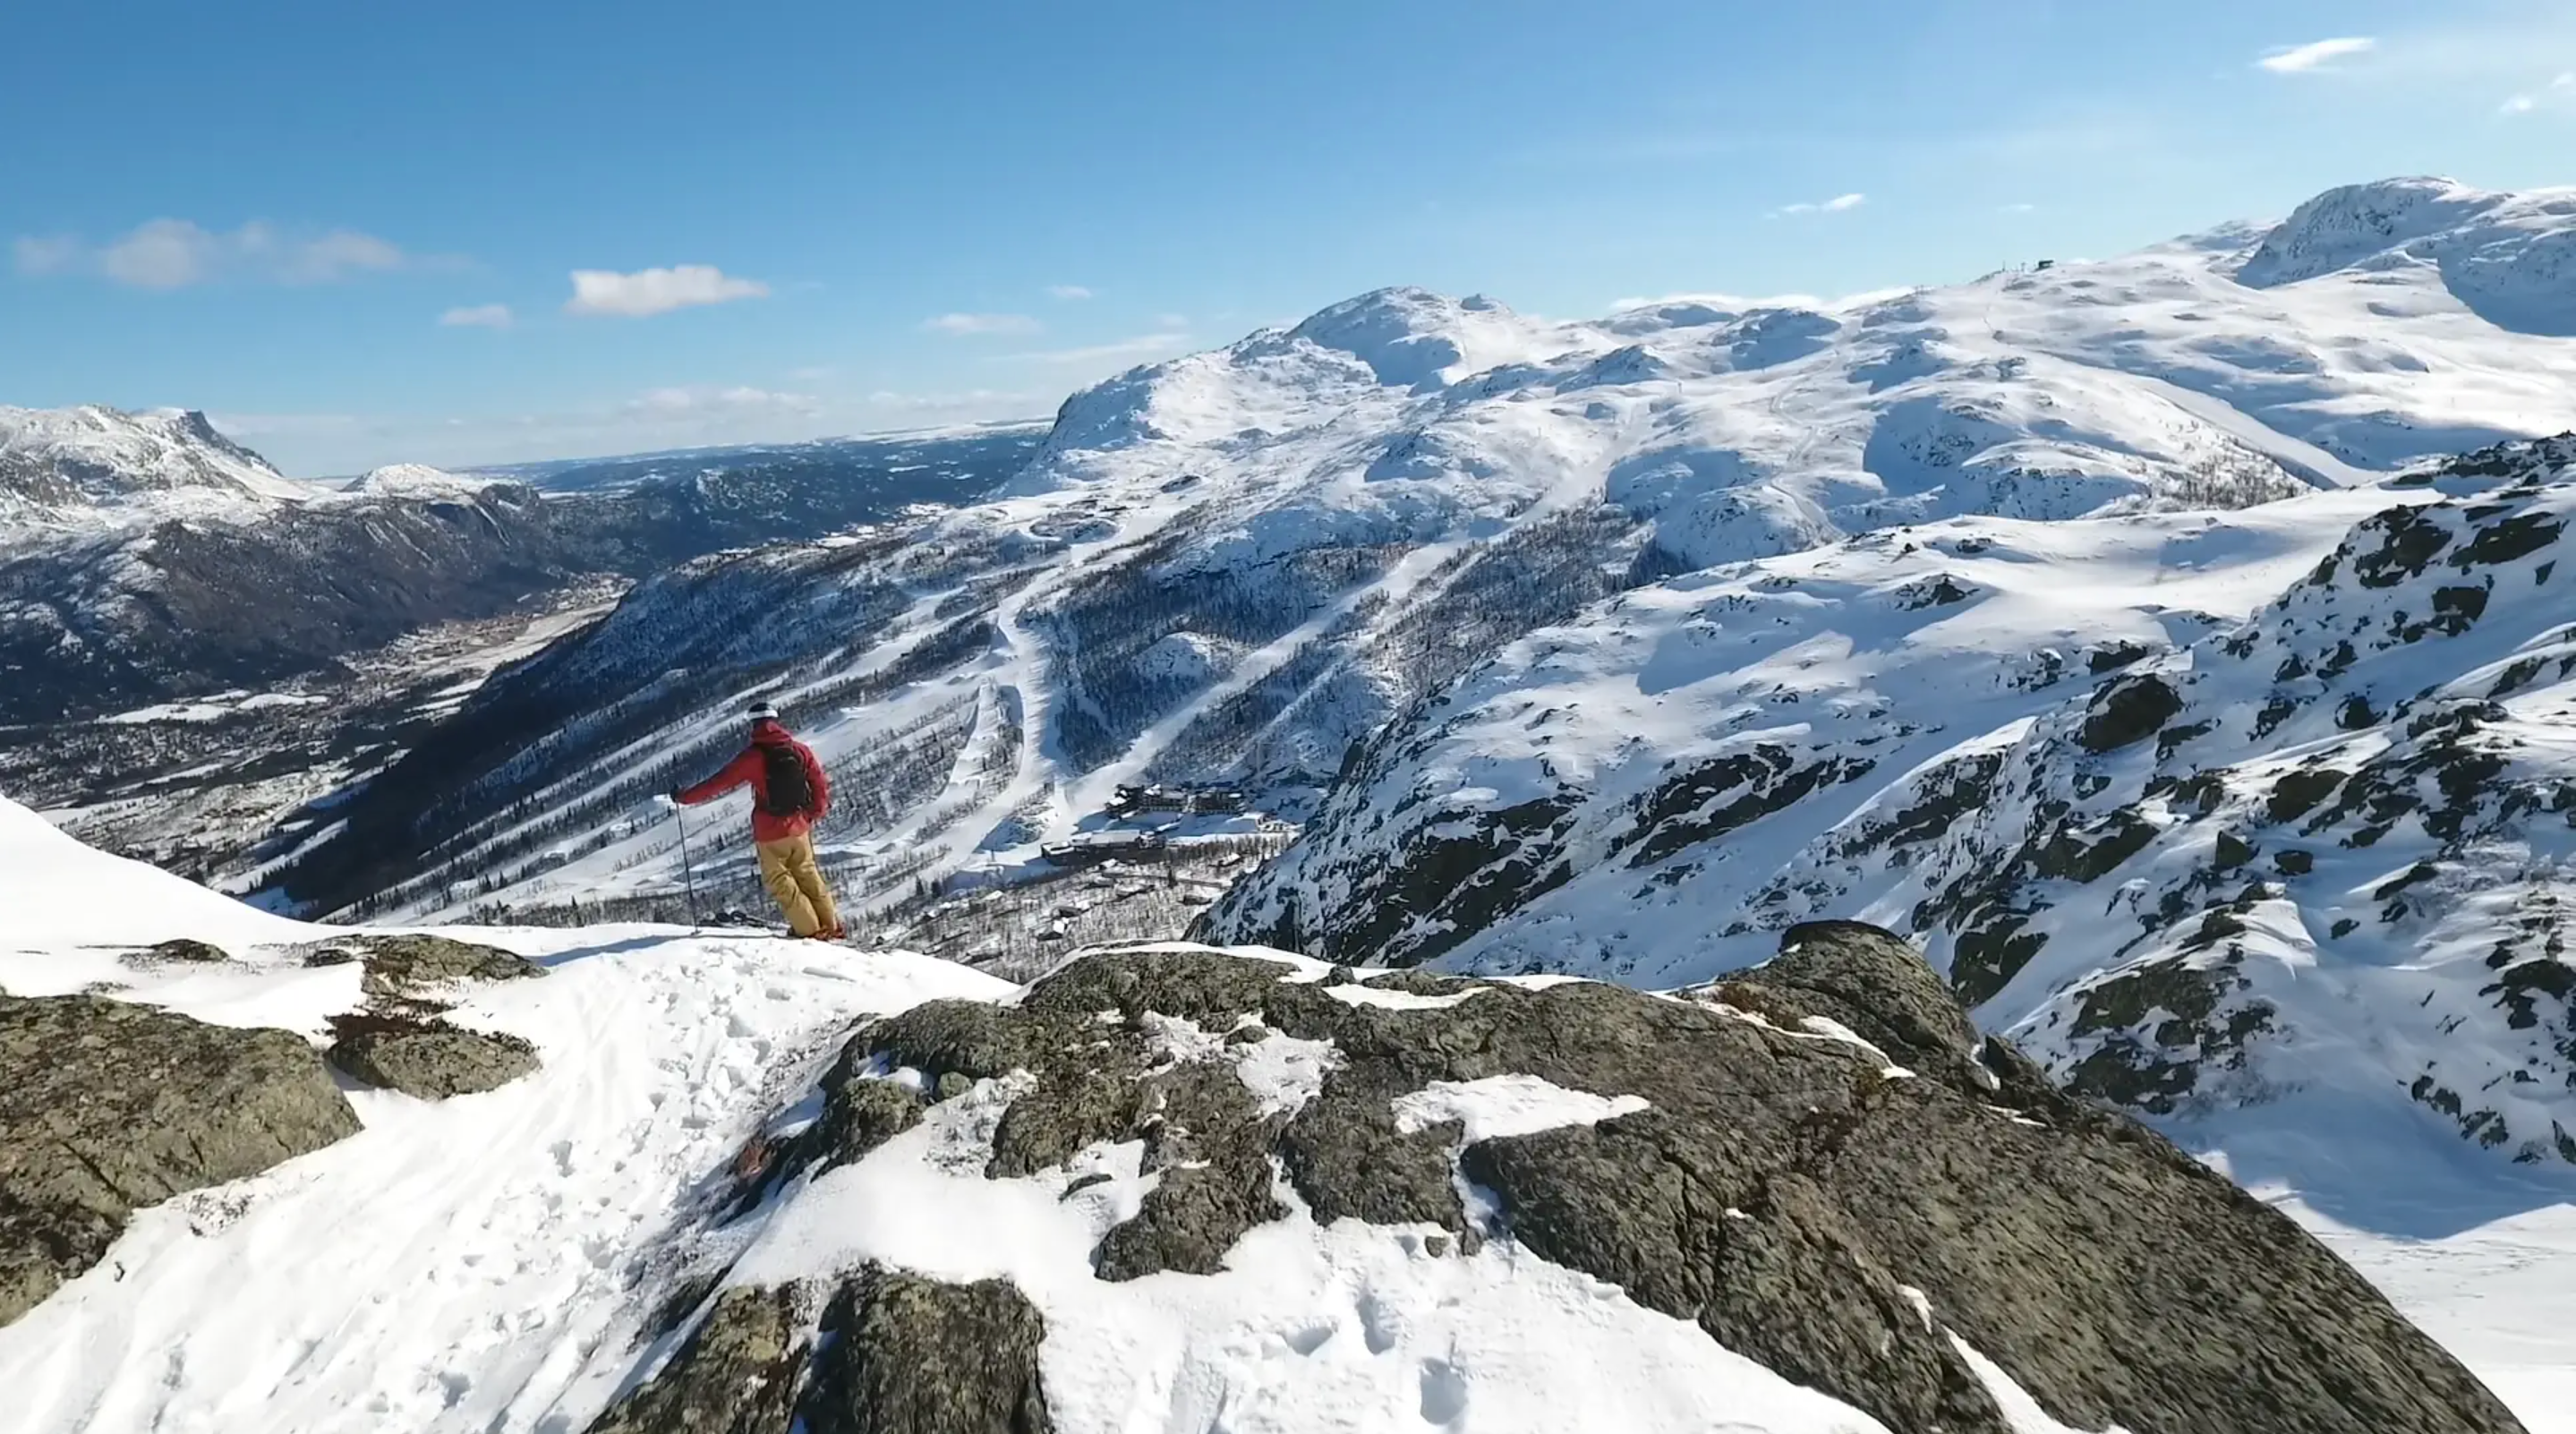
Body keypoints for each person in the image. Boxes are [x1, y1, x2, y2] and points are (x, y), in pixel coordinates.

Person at [670, 701, 845, 940]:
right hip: (799, 825)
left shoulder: (752, 757)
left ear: (753, 725)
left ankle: (810, 932)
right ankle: (832, 927)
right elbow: (819, 782)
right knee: (808, 874)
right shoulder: (799, 750)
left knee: (780, 881)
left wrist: (683, 797)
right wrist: (814, 812)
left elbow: (717, 784)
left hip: (769, 831)